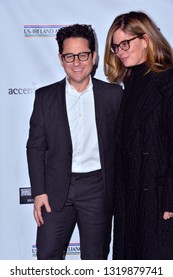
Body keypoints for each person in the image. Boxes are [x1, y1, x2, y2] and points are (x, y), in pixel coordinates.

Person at [26, 24, 122, 260]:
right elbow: (35, 147)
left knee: (94, 260)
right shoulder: (45, 97)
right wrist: (39, 192)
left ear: (94, 56)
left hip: (97, 189)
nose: (76, 62)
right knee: (47, 256)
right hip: (56, 190)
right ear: (61, 58)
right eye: (69, 56)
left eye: (82, 55)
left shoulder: (113, 95)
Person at [104, 11, 173, 259]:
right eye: (115, 46)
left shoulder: (167, 81)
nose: (120, 52)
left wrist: (170, 198)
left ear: (145, 39)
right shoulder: (129, 83)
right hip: (129, 197)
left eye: (125, 43)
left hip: (157, 197)